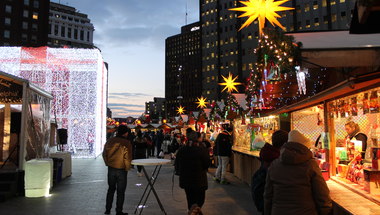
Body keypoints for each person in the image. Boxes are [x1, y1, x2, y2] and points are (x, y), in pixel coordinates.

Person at [264, 130, 332, 215]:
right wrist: (326, 211)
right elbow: (322, 195)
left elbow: (268, 195)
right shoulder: (311, 165)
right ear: (305, 147)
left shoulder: (274, 165)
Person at [251, 130, 288, 213]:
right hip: (272, 205)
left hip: (265, 203)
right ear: (285, 143)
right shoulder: (276, 160)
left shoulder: (268, 155)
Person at [175, 131, 210, 215]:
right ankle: (195, 210)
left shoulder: (182, 149)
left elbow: (177, 164)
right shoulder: (202, 149)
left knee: (190, 198)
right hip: (199, 179)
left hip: (186, 179)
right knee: (200, 199)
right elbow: (207, 163)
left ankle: (192, 210)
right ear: (197, 138)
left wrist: (180, 172)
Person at [102, 125, 132, 215]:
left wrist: (108, 163)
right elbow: (127, 157)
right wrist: (127, 167)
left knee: (111, 189)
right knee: (121, 192)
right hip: (121, 169)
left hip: (111, 169)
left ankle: (107, 210)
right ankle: (119, 211)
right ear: (125, 133)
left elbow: (104, 154)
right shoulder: (126, 142)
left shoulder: (110, 141)